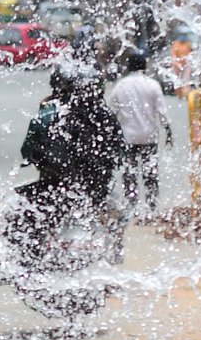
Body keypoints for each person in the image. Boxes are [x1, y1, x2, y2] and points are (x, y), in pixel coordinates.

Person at [9, 62, 124, 269]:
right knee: (118, 214)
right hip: (97, 194)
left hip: (54, 189)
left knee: (13, 210)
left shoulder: (45, 114)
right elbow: (120, 152)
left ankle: (20, 267)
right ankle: (115, 256)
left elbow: (27, 152)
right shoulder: (106, 117)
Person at [108, 50, 173, 218]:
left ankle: (132, 209)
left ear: (128, 67)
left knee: (129, 175)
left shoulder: (120, 86)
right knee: (150, 174)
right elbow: (163, 112)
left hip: (127, 138)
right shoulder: (153, 85)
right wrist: (168, 132)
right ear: (144, 66)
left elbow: (111, 113)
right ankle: (152, 210)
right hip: (149, 137)